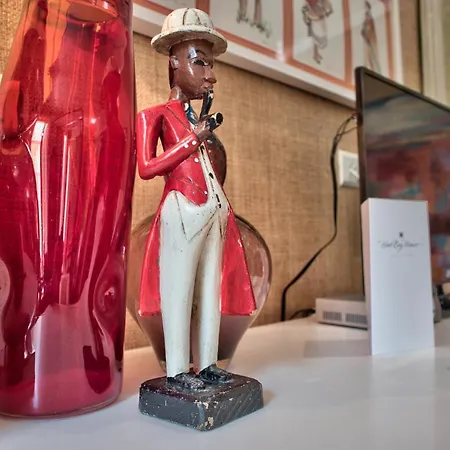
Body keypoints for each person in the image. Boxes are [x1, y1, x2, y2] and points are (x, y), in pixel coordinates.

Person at [136, 8, 257, 390]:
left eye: (211, 64)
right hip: (183, 209)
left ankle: (207, 363)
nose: (210, 75)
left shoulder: (199, 118)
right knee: (179, 289)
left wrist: (203, 136)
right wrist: (193, 139)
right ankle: (176, 370)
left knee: (210, 291)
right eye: (199, 62)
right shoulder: (154, 115)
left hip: (215, 212)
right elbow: (147, 167)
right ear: (174, 62)